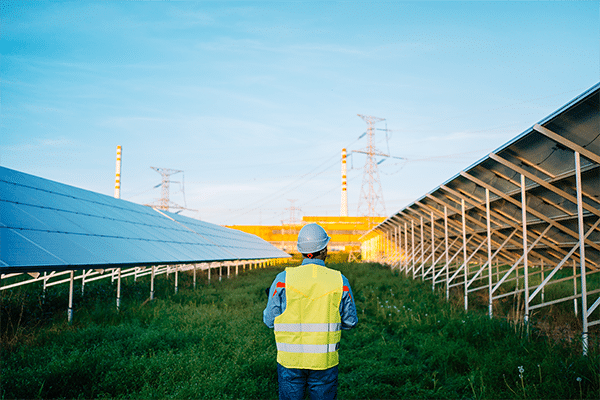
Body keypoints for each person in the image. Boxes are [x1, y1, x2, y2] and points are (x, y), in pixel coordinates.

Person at [263, 223, 358, 400]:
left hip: (290, 361)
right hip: (324, 362)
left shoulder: (282, 280)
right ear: (325, 250)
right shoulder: (340, 281)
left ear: (300, 251)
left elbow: (269, 321)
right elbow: (350, 322)